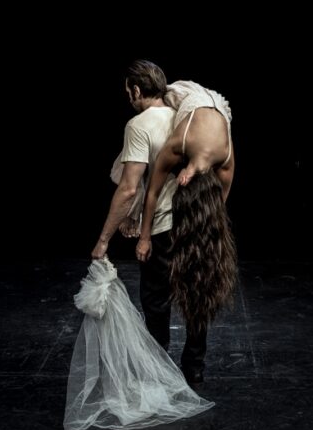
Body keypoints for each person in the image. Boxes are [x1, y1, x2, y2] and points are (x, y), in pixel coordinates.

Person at [91, 60, 202, 382]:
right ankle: (195, 367)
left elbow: (128, 188)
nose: (129, 97)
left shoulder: (138, 125)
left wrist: (103, 239)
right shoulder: (186, 118)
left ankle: (159, 369)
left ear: (136, 90)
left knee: (156, 299)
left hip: (163, 225)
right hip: (195, 221)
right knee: (196, 295)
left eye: (128, 91)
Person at [135, 80, 238, 386]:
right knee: (163, 93)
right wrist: (145, 236)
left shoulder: (218, 156)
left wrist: (145, 238)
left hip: (213, 112)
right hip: (201, 103)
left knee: (198, 285)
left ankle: (181, 362)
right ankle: (192, 364)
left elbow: (153, 192)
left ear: (183, 176)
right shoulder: (184, 144)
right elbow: (155, 193)